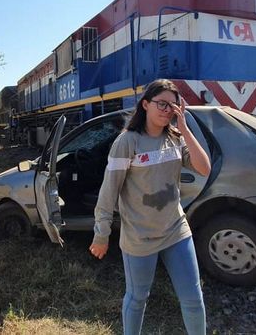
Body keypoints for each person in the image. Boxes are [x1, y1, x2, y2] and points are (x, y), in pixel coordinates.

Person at [89, 79, 211, 335]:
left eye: (173, 106)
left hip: (176, 231)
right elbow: (109, 191)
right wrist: (102, 234)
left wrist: (185, 130)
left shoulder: (175, 139)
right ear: (145, 104)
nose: (167, 110)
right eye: (162, 104)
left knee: (193, 298)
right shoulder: (127, 142)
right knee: (137, 298)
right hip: (139, 237)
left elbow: (204, 168)